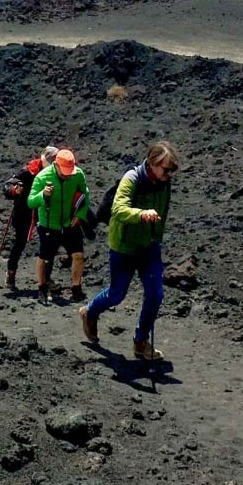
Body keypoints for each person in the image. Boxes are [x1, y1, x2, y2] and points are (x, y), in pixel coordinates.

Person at [78, 141, 179, 361]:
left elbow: (164, 209)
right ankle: (90, 312)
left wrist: (156, 237)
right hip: (124, 246)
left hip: (149, 246)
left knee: (155, 295)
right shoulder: (132, 179)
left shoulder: (164, 183)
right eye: (166, 169)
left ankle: (140, 341)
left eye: (172, 170)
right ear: (153, 163)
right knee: (117, 294)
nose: (169, 174)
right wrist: (141, 215)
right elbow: (118, 209)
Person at [28, 148, 90, 305]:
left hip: (70, 223)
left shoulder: (77, 175)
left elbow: (85, 195)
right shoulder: (42, 177)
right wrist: (43, 195)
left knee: (78, 255)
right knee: (45, 258)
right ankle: (42, 288)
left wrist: (80, 215)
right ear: (55, 165)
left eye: (70, 171)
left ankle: (76, 288)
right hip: (49, 225)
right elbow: (31, 202)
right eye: (64, 172)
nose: (67, 174)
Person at [3, 146, 57, 292]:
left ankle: (46, 278)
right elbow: (7, 186)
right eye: (49, 159)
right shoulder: (28, 171)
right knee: (19, 244)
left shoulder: (56, 173)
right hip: (24, 214)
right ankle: (11, 273)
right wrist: (14, 190)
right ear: (42, 157)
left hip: (44, 214)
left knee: (48, 245)